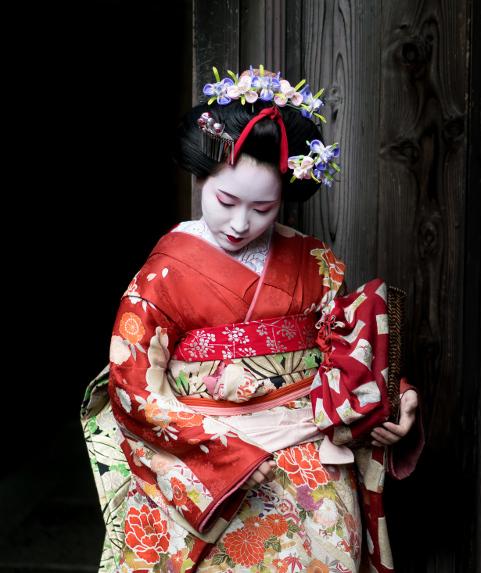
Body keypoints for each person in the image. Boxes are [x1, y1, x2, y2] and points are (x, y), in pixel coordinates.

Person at [80, 66, 423, 573]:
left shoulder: (314, 262)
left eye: (263, 207)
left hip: (313, 475)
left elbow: (349, 356)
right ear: (200, 176)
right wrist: (223, 450)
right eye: (226, 201)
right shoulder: (164, 275)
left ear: (285, 195)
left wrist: (394, 401)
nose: (241, 223)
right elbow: (133, 388)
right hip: (216, 473)